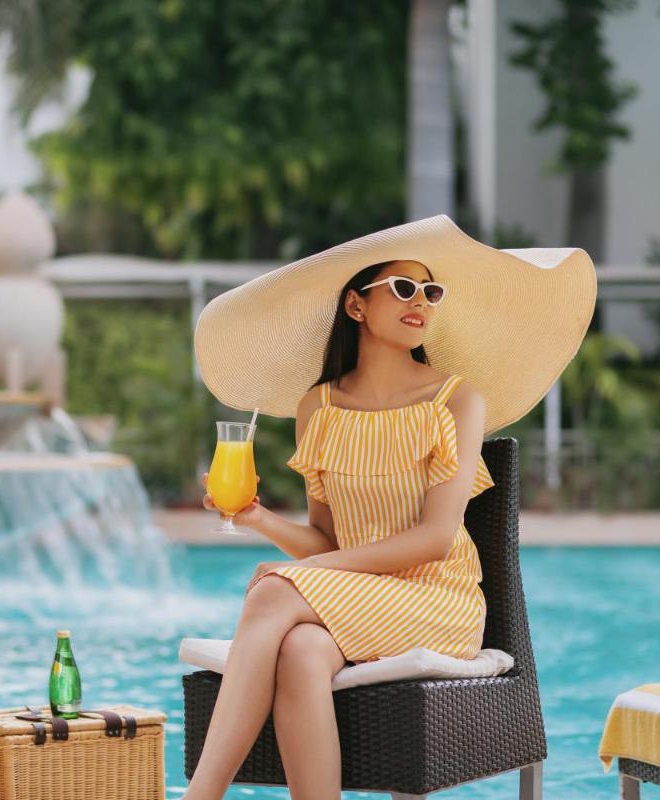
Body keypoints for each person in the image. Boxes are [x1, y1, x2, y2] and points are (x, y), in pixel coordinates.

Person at [185, 215, 596, 800]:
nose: (421, 303)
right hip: (357, 599)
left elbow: (434, 539)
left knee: (274, 589)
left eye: (431, 292)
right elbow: (329, 543)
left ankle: (201, 797)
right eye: (403, 288)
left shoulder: (455, 401)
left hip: (437, 597)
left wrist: (300, 577)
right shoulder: (317, 408)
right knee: (301, 649)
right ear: (356, 305)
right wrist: (258, 520)